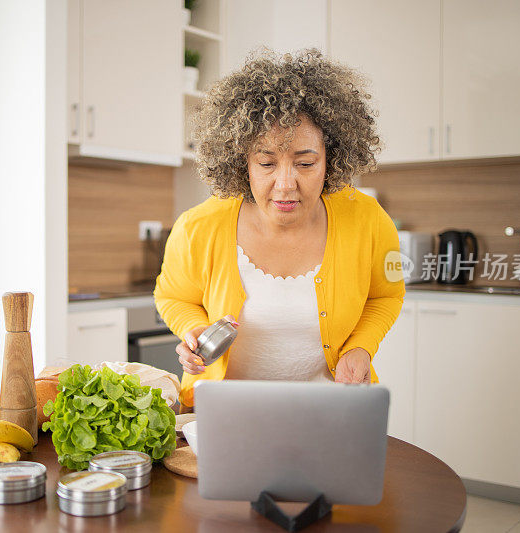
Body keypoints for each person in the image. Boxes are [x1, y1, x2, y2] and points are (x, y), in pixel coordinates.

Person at [154, 48, 405, 409]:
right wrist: (192, 329)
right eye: (267, 163)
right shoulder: (199, 226)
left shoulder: (366, 218)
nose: (285, 184)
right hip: (225, 413)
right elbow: (172, 296)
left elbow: (386, 295)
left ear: (331, 159)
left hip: (331, 410)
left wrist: (361, 347)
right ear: (242, 162)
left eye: (305, 163)